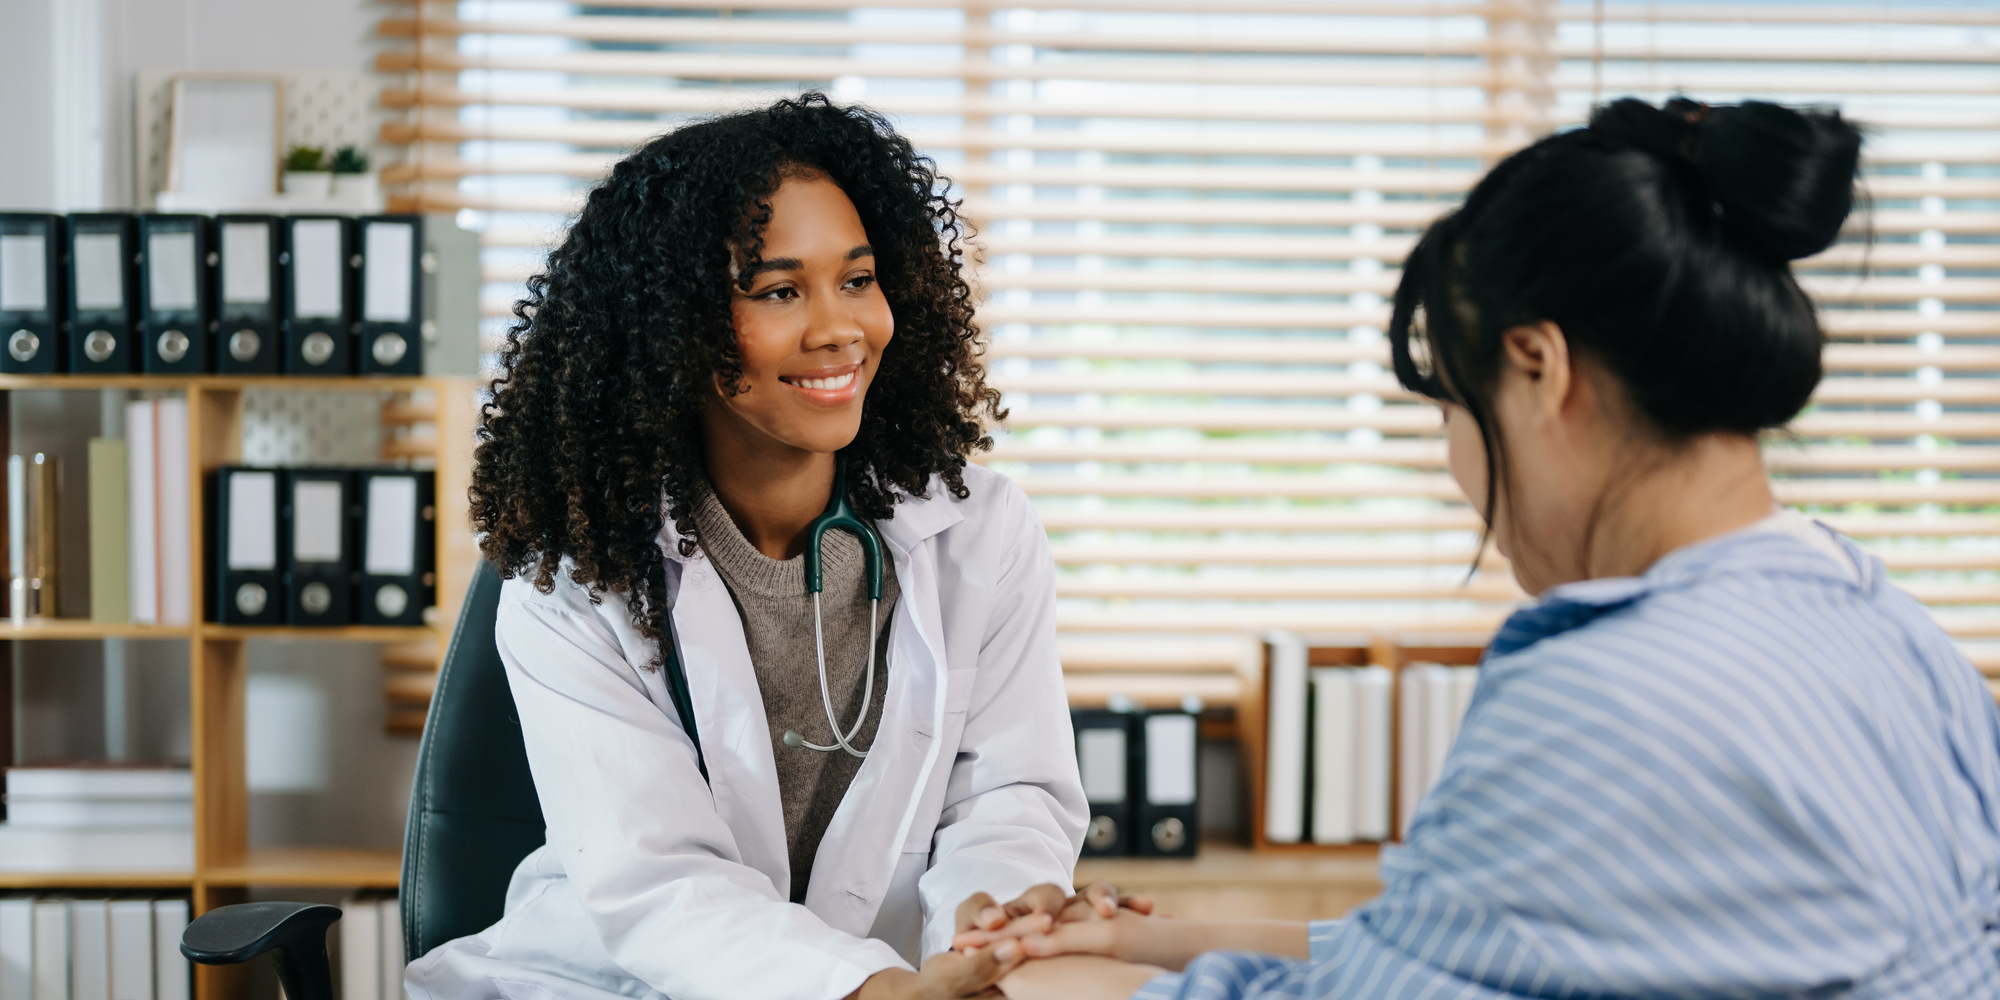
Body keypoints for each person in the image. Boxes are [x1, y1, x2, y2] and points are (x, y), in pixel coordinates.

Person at [961, 97, 2000, 998]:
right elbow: (1470, 955)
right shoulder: (1887, 627)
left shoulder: (1606, 692)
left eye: (1454, 408)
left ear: (1539, 367)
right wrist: (1157, 939)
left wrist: (1058, 979)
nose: (1458, 467)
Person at [404, 95, 1088, 1000]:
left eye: (857, 278)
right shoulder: (580, 572)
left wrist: (989, 936)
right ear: (670, 327)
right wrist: (868, 992)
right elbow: (658, 880)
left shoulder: (979, 534)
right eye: (777, 291)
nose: (839, 327)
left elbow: (1007, 799)